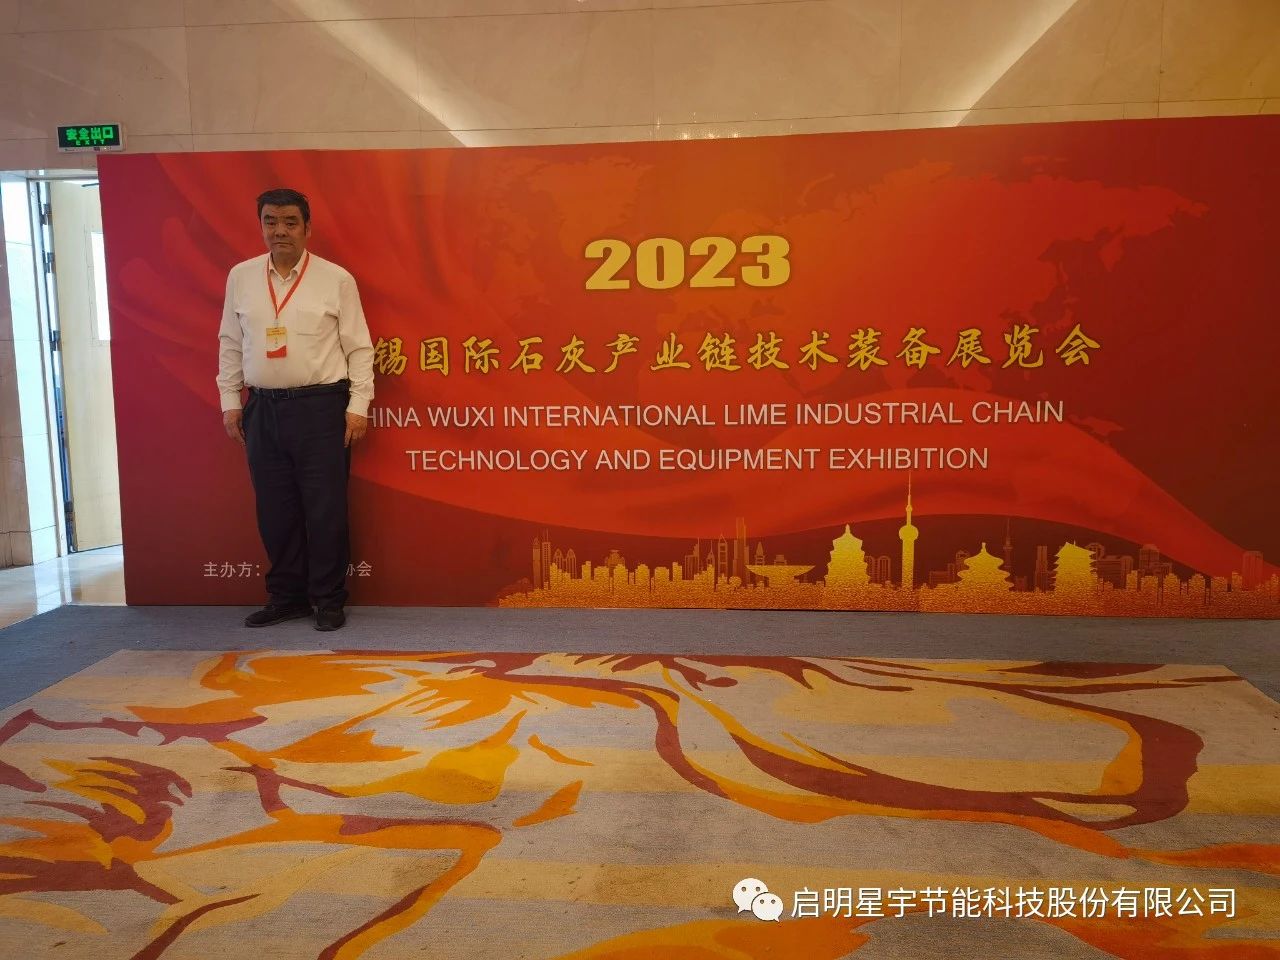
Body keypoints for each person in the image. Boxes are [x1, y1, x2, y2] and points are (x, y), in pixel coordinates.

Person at [216, 188, 374, 631]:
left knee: (325, 509)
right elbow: (230, 342)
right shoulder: (241, 277)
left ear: (307, 228)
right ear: (261, 226)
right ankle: (286, 597)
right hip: (262, 408)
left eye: (290, 222)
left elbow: (360, 347)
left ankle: (328, 599)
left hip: (321, 409)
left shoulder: (335, 279)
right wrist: (231, 402)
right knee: (275, 510)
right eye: (270, 221)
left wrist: (358, 406)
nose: (279, 231)